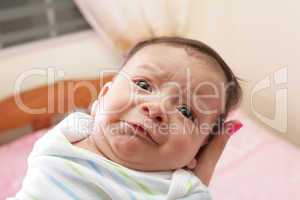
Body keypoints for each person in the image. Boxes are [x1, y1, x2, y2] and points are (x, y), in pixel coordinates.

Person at [10, 37, 243, 200]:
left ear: (199, 150)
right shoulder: (71, 133)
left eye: (186, 112)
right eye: (143, 85)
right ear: (101, 97)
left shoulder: (182, 189)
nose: (156, 107)